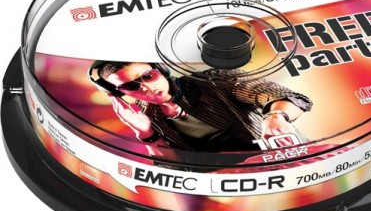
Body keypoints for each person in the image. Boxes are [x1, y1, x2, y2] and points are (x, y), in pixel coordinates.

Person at [98, 61, 313, 152]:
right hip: (230, 190)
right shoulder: (145, 116)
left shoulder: (215, 80)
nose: (146, 87)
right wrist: (146, 134)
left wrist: (277, 116)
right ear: (119, 93)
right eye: (130, 85)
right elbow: (174, 168)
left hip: (290, 163)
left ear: (161, 69)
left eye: (148, 75)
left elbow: (285, 96)